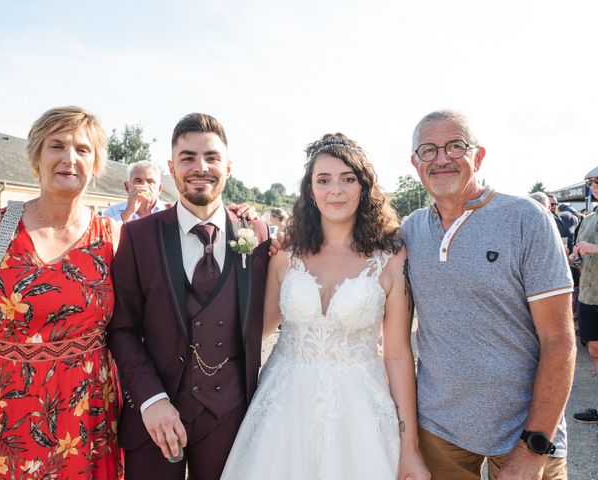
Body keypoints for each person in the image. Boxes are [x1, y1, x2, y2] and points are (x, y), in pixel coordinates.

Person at [221, 133, 429, 480]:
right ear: (310, 190)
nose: (336, 190)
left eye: (348, 179)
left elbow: (397, 354)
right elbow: (257, 329)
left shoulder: (390, 258)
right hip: (284, 409)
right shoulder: (285, 253)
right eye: (324, 180)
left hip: (360, 412)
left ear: (363, 188)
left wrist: (410, 448)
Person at [403, 110, 575, 480]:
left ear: (478, 156)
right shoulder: (410, 230)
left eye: (455, 146)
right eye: (429, 150)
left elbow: (559, 341)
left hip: (525, 433)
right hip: (438, 431)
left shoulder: (526, 219)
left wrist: (534, 446)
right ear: (416, 163)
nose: (442, 158)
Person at [0, 106, 122, 478]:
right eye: (57, 146)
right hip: (9, 424)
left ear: (96, 164)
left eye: (83, 149)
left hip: (90, 423)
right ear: (36, 156)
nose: (69, 159)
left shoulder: (112, 237)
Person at [107, 113, 270, 480]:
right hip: (154, 416)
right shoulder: (138, 237)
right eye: (187, 157)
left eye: (211, 157)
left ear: (228, 166)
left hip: (231, 416)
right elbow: (122, 330)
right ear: (171, 167)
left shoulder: (256, 233)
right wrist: (151, 400)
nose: (201, 167)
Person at [569, 166, 598, 424]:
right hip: (589, 293)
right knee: (595, 349)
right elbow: (581, 250)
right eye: (591, 181)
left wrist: (594, 248)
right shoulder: (589, 218)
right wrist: (576, 256)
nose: (594, 185)